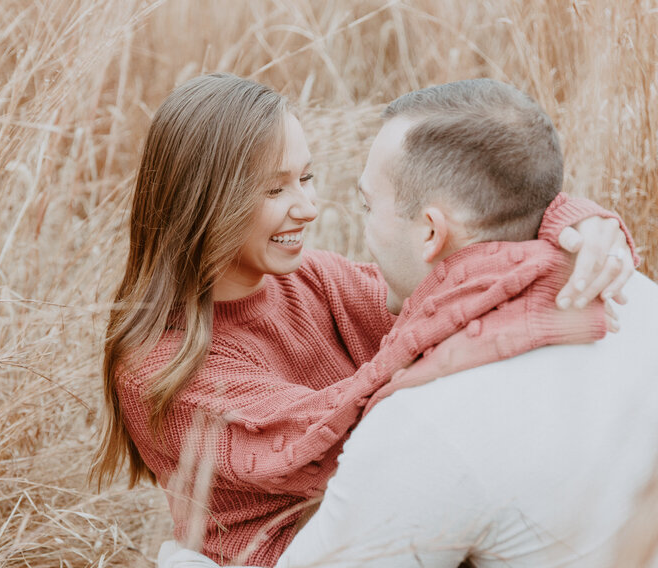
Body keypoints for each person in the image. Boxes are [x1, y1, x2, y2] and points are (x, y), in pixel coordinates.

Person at [90, 73, 636, 567]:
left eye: (307, 177)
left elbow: (450, 278)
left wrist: (570, 222)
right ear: (204, 201)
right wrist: (460, 339)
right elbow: (317, 445)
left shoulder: (311, 280)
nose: (307, 206)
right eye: (274, 189)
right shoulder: (159, 364)